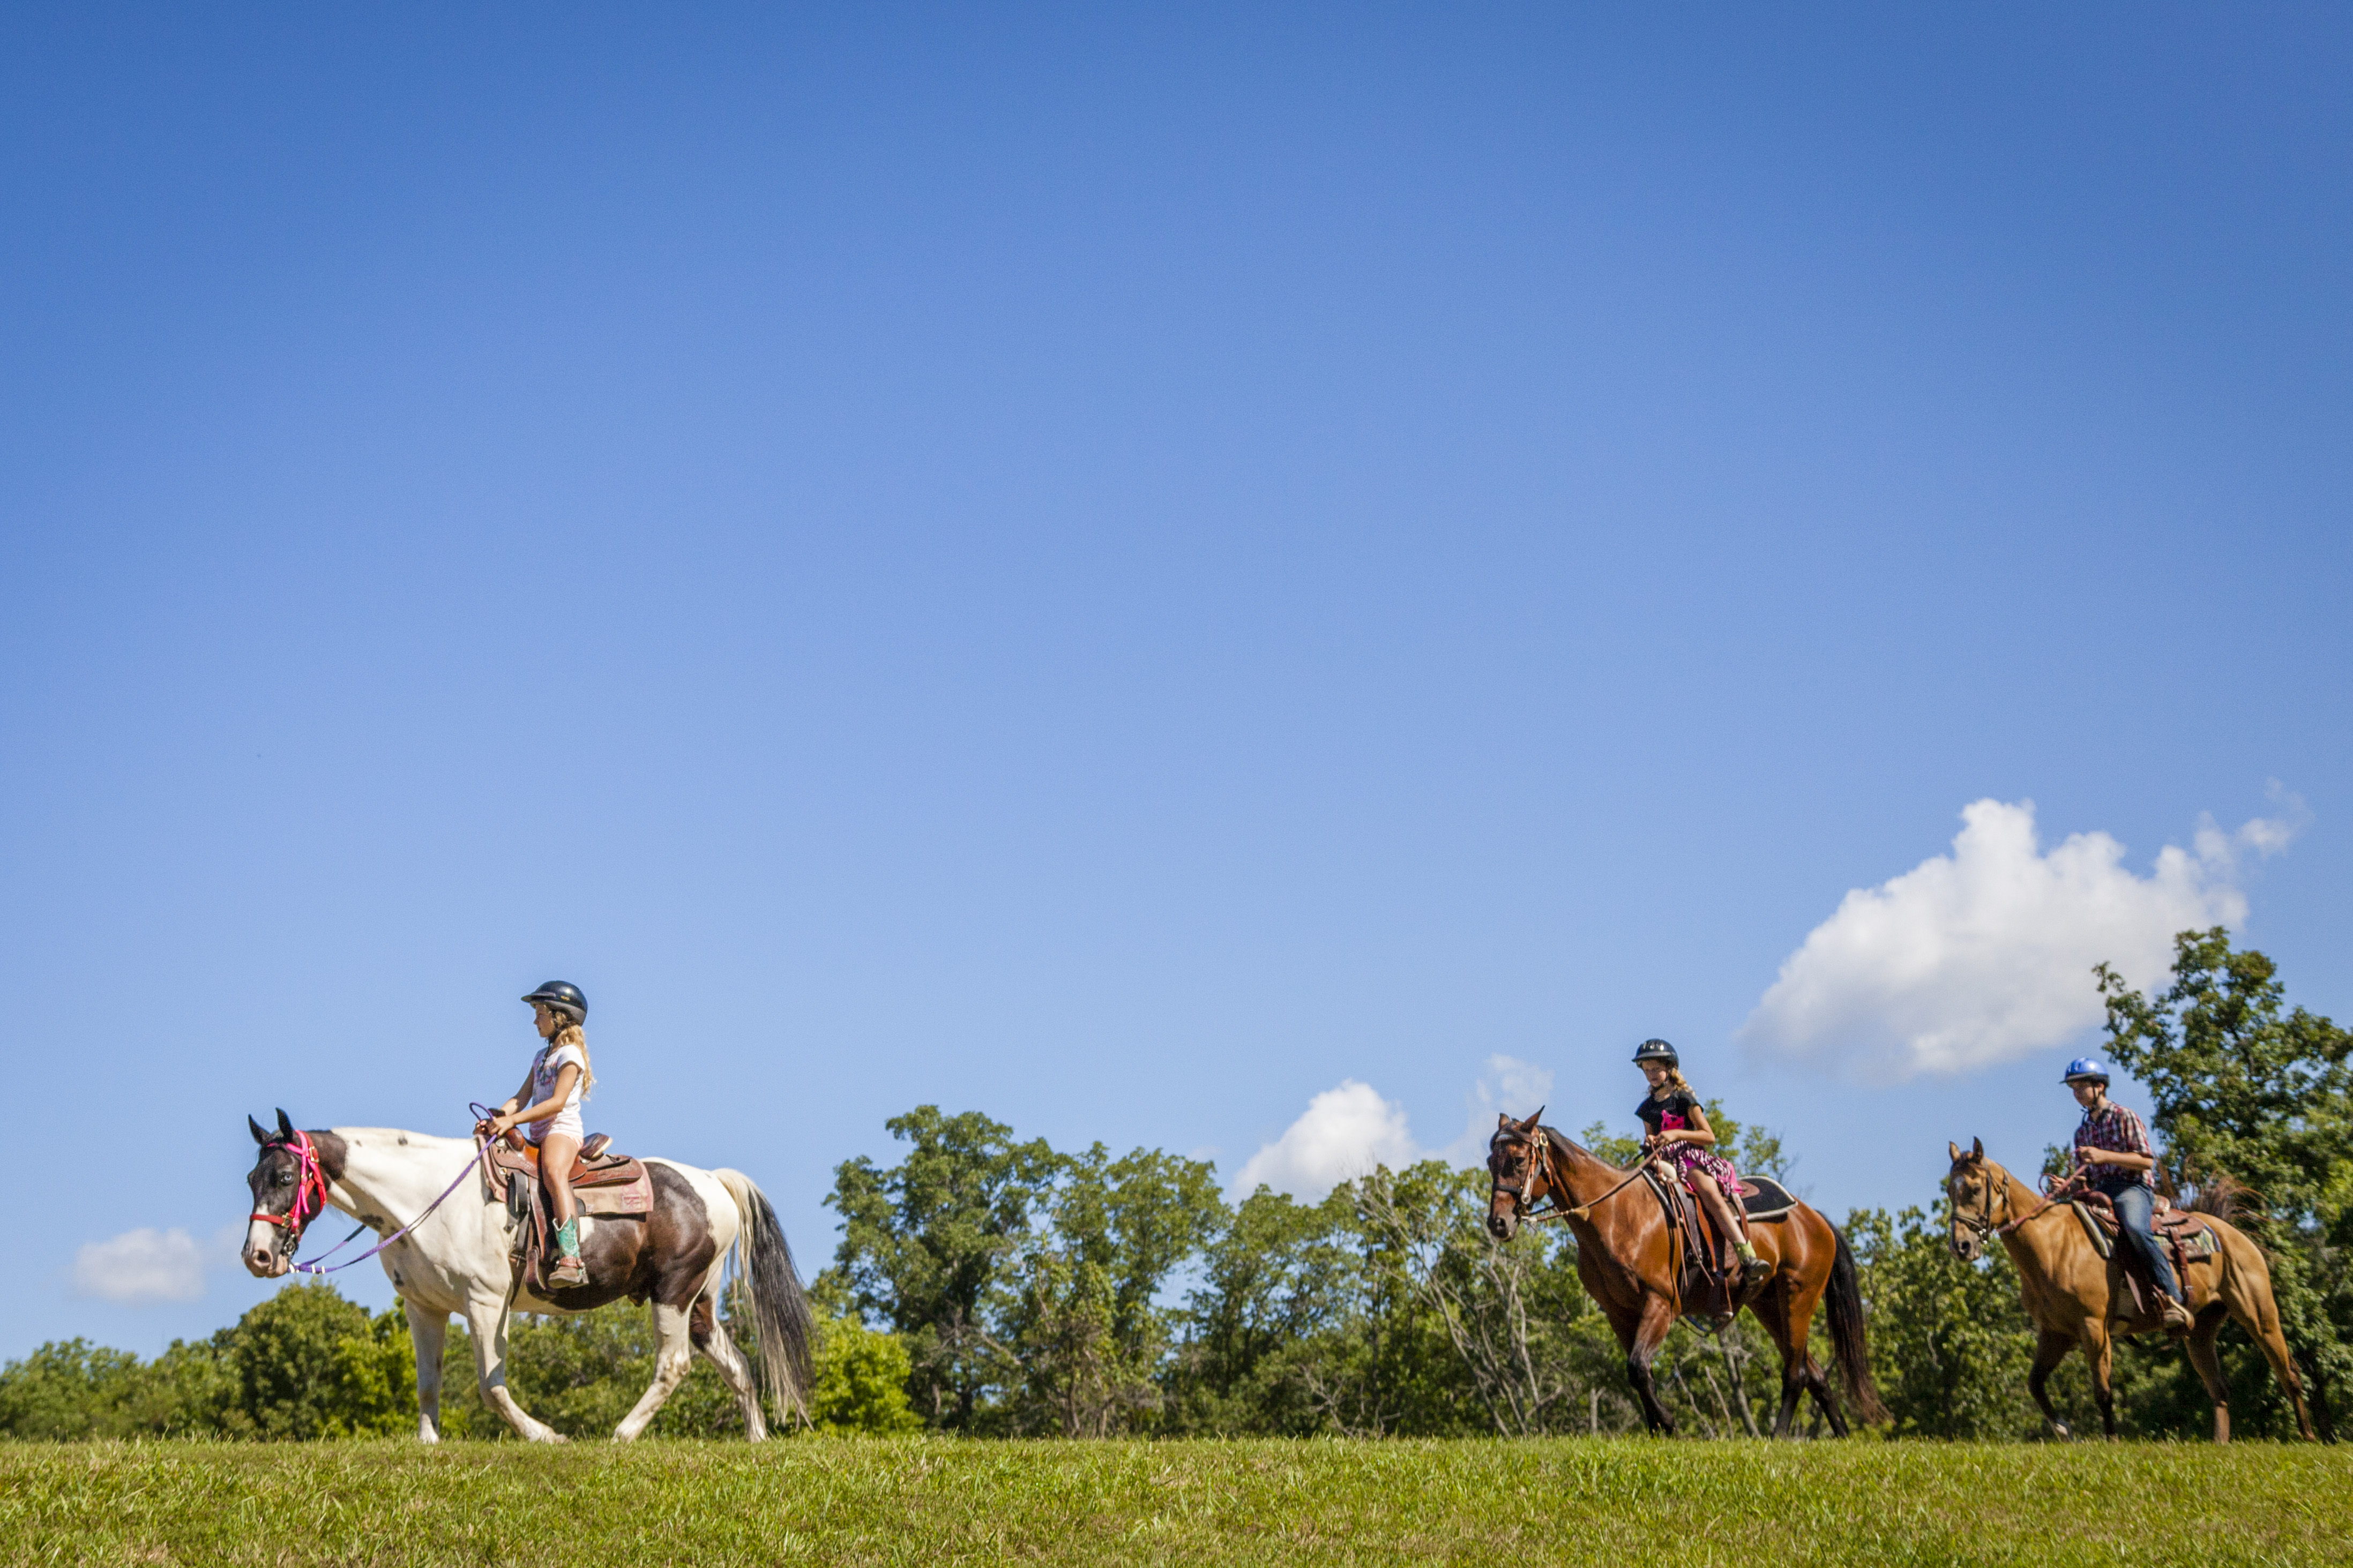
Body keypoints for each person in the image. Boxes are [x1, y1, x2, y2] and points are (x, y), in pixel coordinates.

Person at [476, 981, 595, 1288]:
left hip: (560, 1129)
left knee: (554, 1172)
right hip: (539, 1130)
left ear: (559, 1017)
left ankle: (571, 1257)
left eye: (540, 1013)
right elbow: (521, 1097)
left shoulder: (570, 1054)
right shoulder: (541, 1056)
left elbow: (556, 1103)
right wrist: (497, 1119)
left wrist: (513, 1120)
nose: (535, 1020)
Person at [2061, 1056, 2191, 1332]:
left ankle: (2173, 1299)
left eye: (2081, 1087)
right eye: (2072, 1089)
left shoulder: (2125, 1116)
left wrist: (2103, 1156)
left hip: (2132, 1188)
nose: (2076, 1094)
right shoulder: (2082, 1132)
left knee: (2134, 1227)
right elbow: (2086, 1176)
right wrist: (2068, 1185)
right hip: (2100, 1192)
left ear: (2100, 1087)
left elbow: (2146, 1161)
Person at [1632, 1039, 1769, 1287]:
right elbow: (1649, 1137)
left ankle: (1746, 1254)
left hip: (1688, 1159)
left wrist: (1676, 1134)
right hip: (1661, 1161)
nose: (1651, 1074)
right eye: (1647, 1069)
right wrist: (1651, 1141)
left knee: (1710, 1194)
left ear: (1669, 1068)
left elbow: (1708, 1136)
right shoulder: (1646, 1109)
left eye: (1656, 1068)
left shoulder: (1684, 1099)